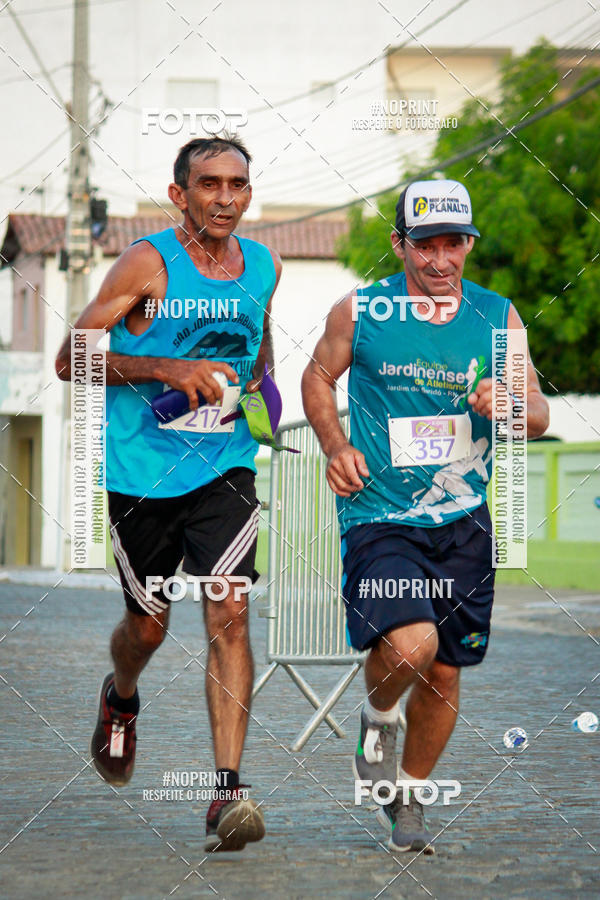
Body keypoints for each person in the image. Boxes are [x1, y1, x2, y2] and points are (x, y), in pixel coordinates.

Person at [301, 179, 549, 853]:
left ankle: (407, 797)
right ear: (399, 243)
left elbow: (537, 413)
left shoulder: (498, 317)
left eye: (454, 243)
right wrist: (335, 444)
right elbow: (317, 377)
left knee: (444, 671)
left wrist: (509, 404)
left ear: (468, 243)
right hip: (380, 513)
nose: (441, 260)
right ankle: (378, 717)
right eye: (426, 245)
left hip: (464, 518)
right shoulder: (362, 310)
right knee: (414, 646)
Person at [55, 135, 281, 853]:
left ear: (249, 194)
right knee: (148, 628)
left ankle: (227, 794)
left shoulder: (264, 265)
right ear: (180, 194)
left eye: (237, 184)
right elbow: (70, 358)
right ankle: (120, 696)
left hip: (224, 465)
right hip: (141, 474)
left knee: (230, 611)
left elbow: (256, 344)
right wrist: (165, 368)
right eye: (209, 184)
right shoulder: (147, 263)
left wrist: (259, 394)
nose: (225, 197)